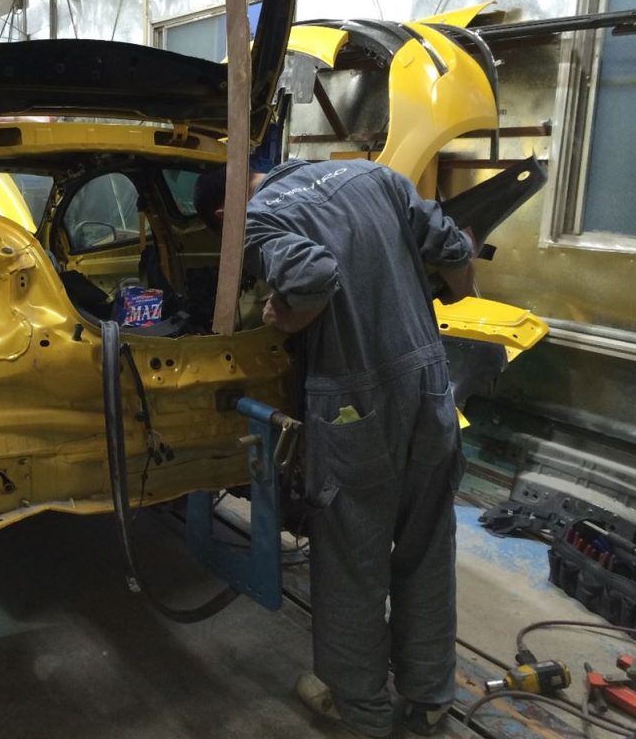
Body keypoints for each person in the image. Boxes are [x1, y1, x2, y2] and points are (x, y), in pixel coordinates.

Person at [194, 158, 476, 738]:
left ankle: (360, 707)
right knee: (427, 542)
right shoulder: (372, 175)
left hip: (354, 403)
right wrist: (456, 290)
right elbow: (454, 249)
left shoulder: (256, 219)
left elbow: (313, 275)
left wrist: (284, 315)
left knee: (352, 557)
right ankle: (429, 697)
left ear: (223, 214)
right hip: (429, 385)